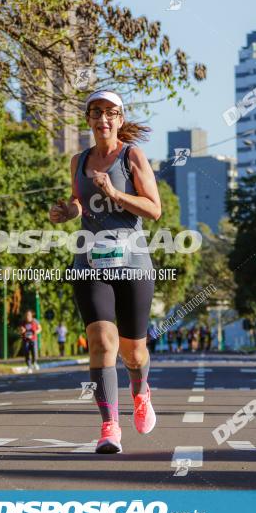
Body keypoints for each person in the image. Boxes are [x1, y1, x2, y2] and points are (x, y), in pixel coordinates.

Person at [49, 89, 161, 454]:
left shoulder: (132, 156)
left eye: (110, 113)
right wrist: (70, 212)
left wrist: (114, 191)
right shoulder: (78, 160)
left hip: (132, 264)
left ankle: (140, 389)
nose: (103, 119)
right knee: (100, 343)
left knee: (133, 353)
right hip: (90, 262)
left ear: (120, 120)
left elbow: (153, 209)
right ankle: (109, 426)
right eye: (96, 113)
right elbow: (80, 201)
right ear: (88, 120)